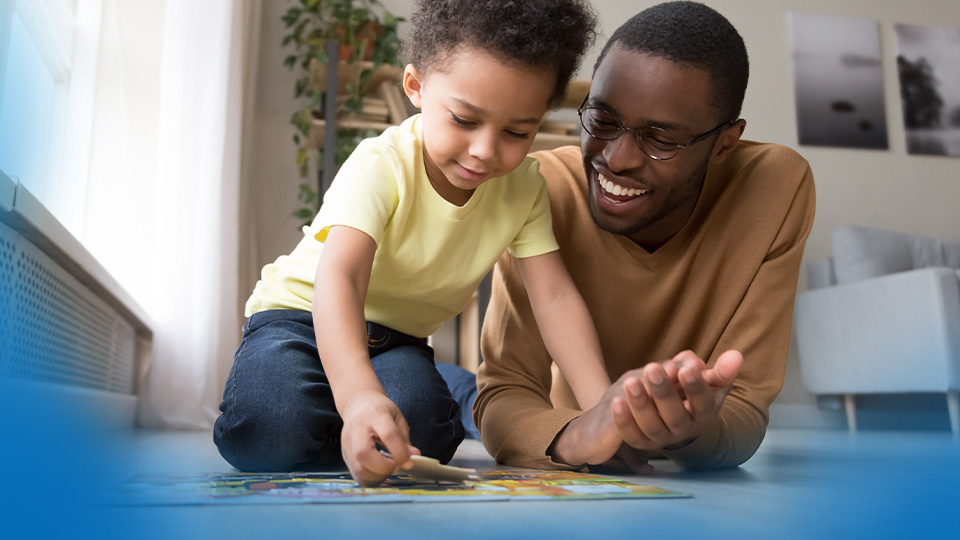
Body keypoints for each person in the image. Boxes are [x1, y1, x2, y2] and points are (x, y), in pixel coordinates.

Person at [213, 0, 607, 486]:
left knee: (426, 433)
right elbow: (342, 276)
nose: (485, 150)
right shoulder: (381, 163)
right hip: (301, 320)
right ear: (416, 87)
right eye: (464, 120)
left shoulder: (524, 188)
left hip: (398, 341)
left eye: (516, 131)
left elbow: (555, 298)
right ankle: (343, 403)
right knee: (269, 438)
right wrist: (358, 398)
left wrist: (602, 409)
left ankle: (393, 401)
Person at [469, 1, 816, 472]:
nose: (616, 158)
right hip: (559, 415)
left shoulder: (775, 187)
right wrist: (580, 435)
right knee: (437, 396)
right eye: (603, 121)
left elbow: (745, 412)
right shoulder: (541, 189)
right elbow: (503, 394)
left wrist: (692, 429)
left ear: (723, 145)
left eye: (659, 139)